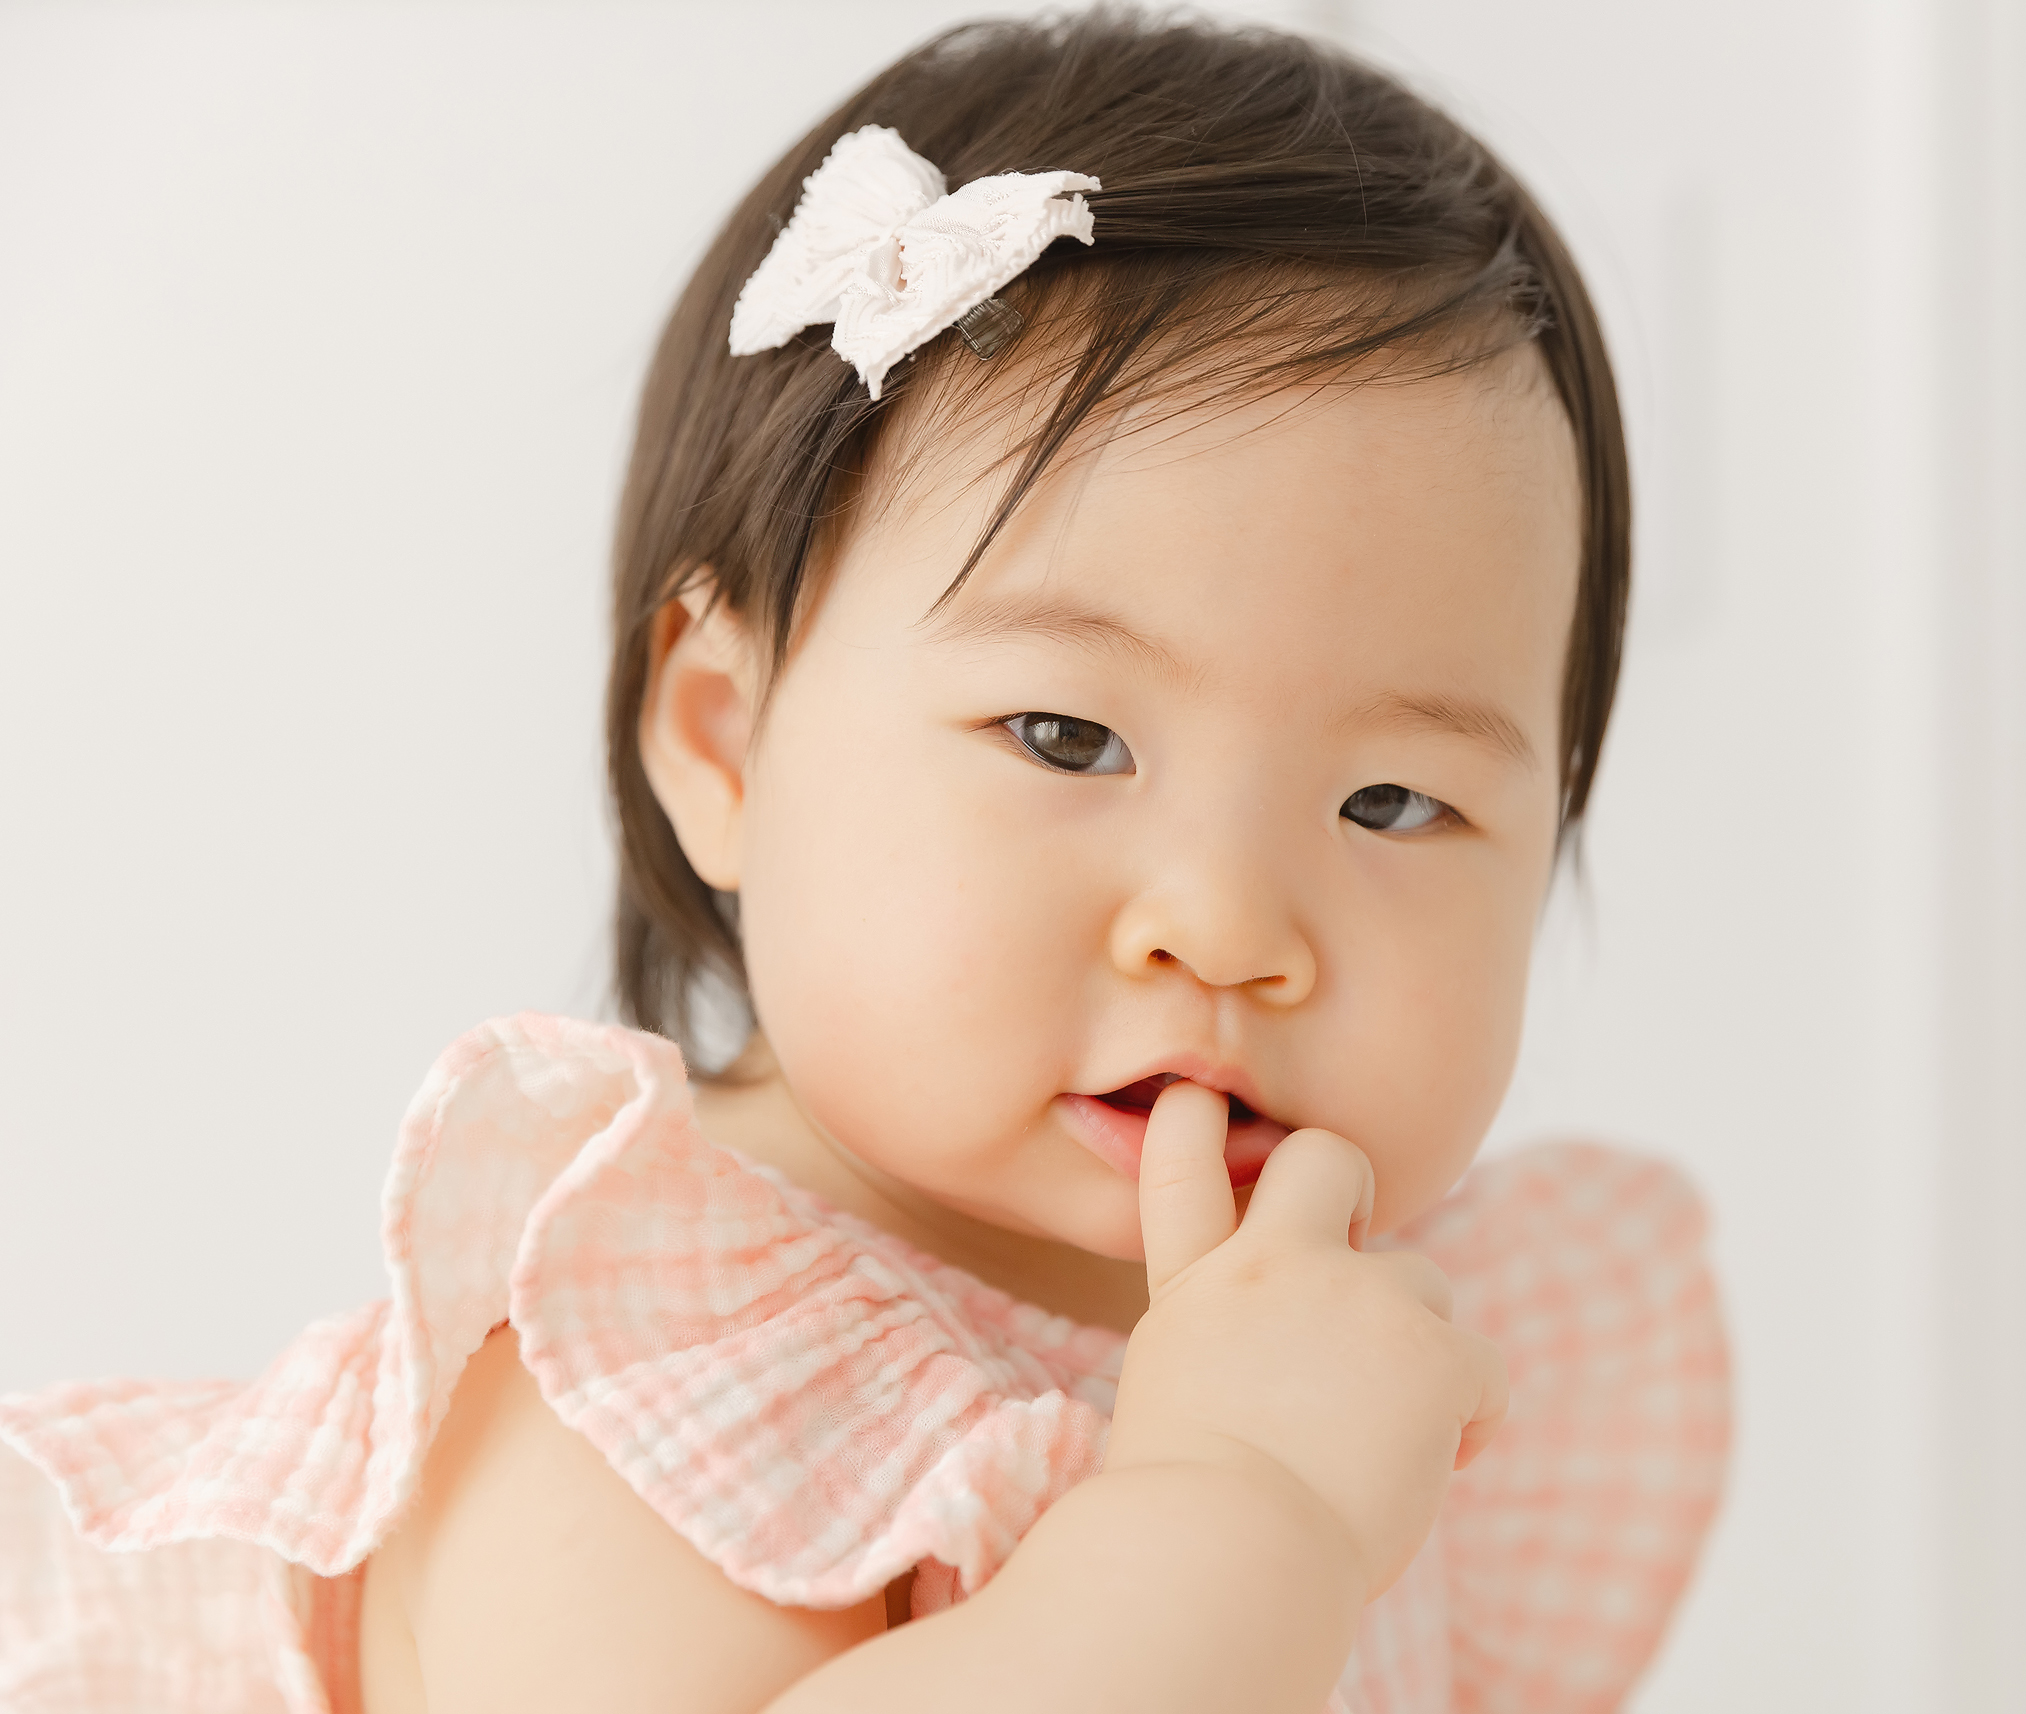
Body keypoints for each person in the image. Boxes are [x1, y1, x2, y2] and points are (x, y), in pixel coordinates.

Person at [0, 11, 1730, 1711]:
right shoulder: (654, 1389)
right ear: (722, 738)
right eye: (1069, 738)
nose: (1225, 924)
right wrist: (1245, 1513)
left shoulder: (1371, 1368)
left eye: (1391, 805)